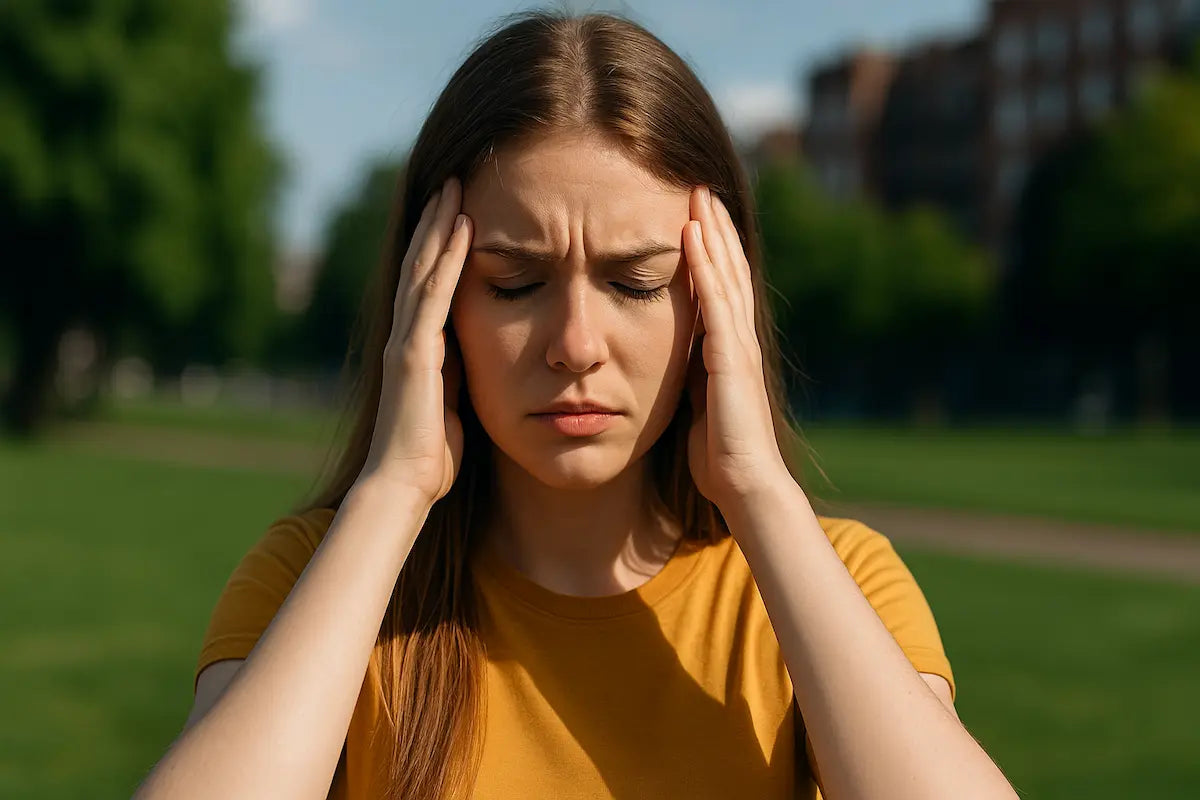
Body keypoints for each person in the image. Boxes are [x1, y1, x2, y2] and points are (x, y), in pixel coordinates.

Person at [134, 10, 1018, 800]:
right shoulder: (313, 580)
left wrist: (758, 491)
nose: (576, 343)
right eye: (515, 283)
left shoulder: (840, 581)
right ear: (430, 302)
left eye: (636, 282)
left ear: (718, 301)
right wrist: (394, 489)